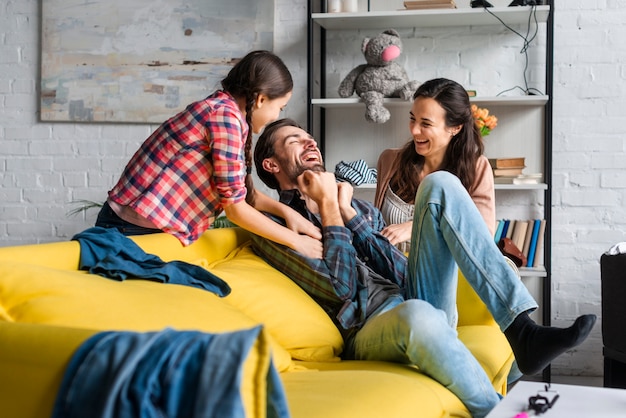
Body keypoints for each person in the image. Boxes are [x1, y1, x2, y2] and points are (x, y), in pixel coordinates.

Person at [251, 118, 596, 418]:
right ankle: (497, 410)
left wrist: (349, 215)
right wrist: (327, 207)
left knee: (440, 183)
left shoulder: (354, 205)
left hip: (414, 296)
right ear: (271, 165)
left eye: (309, 137)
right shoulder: (273, 226)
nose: (310, 141)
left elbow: (400, 273)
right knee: (418, 315)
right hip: (367, 327)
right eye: (295, 141)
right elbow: (340, 288)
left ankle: (521, 329)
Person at [95, 50, 322, 258]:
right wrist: (297, 242)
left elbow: (240, 192)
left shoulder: (225, 112)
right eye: (279, 108)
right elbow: (235, 209)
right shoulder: (224, 117)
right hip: (129, 229)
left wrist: (288, 214)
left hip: (136, 225)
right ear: (261, 99)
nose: (276, 116)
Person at [375, 78, 495, 253]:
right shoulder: (389, 161)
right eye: (412, 119)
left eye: (426, 123)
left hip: (442, 279)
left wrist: (415, 227)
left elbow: (482, 238)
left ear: (455, 127)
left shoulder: (477, 168)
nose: (414, 130)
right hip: (387, 275)